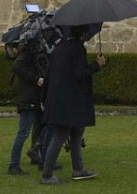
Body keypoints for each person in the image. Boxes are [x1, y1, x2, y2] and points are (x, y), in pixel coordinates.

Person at [39, 24, 106, 185]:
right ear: (83, 34)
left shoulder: (59, 48)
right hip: (68, 102)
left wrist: (44, 98)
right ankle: (47, 175)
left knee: (76, 134)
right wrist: (97, 65)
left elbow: (49, 75)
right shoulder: (77, 49)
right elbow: (78, 74)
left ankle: (78, 169)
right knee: (59, 136)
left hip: (60, 100)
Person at [6, 43, 44, 176]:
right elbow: (17, 66)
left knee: (41, 127)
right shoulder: (27, 51)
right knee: (23, 133)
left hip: (34, 98)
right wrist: (37, 79)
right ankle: (14, 165)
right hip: (29, 99)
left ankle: (38, 157)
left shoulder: (33, 52)